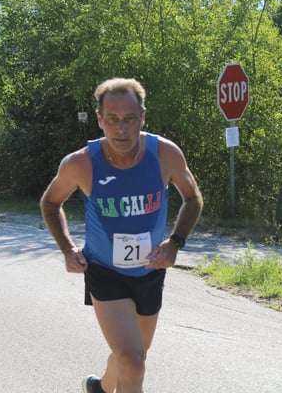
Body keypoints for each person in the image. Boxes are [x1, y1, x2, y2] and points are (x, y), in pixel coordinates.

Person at [40, 77, 203, 393]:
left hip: (150, 269)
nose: (121, 128)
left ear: (143, 117)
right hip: (105, 271)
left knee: (136, 355)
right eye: (112, 119)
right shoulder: (81, 163)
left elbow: (193, 198)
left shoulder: (165, 154)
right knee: (133, 361)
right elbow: (50, 202)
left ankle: (100, 388)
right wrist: (67, 248)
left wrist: (175, 242)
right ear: (100, 119)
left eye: (130, 118)